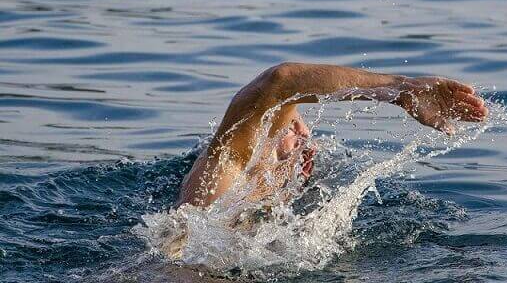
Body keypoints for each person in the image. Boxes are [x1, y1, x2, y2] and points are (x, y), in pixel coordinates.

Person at [176, 62, 489, 208]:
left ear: (304, 164)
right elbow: (283, 83)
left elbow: (282, 85)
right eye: (287, 120)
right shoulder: (224, 177)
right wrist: (400, 89)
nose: (297, 126)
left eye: (287, 125)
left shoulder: (230, 186)